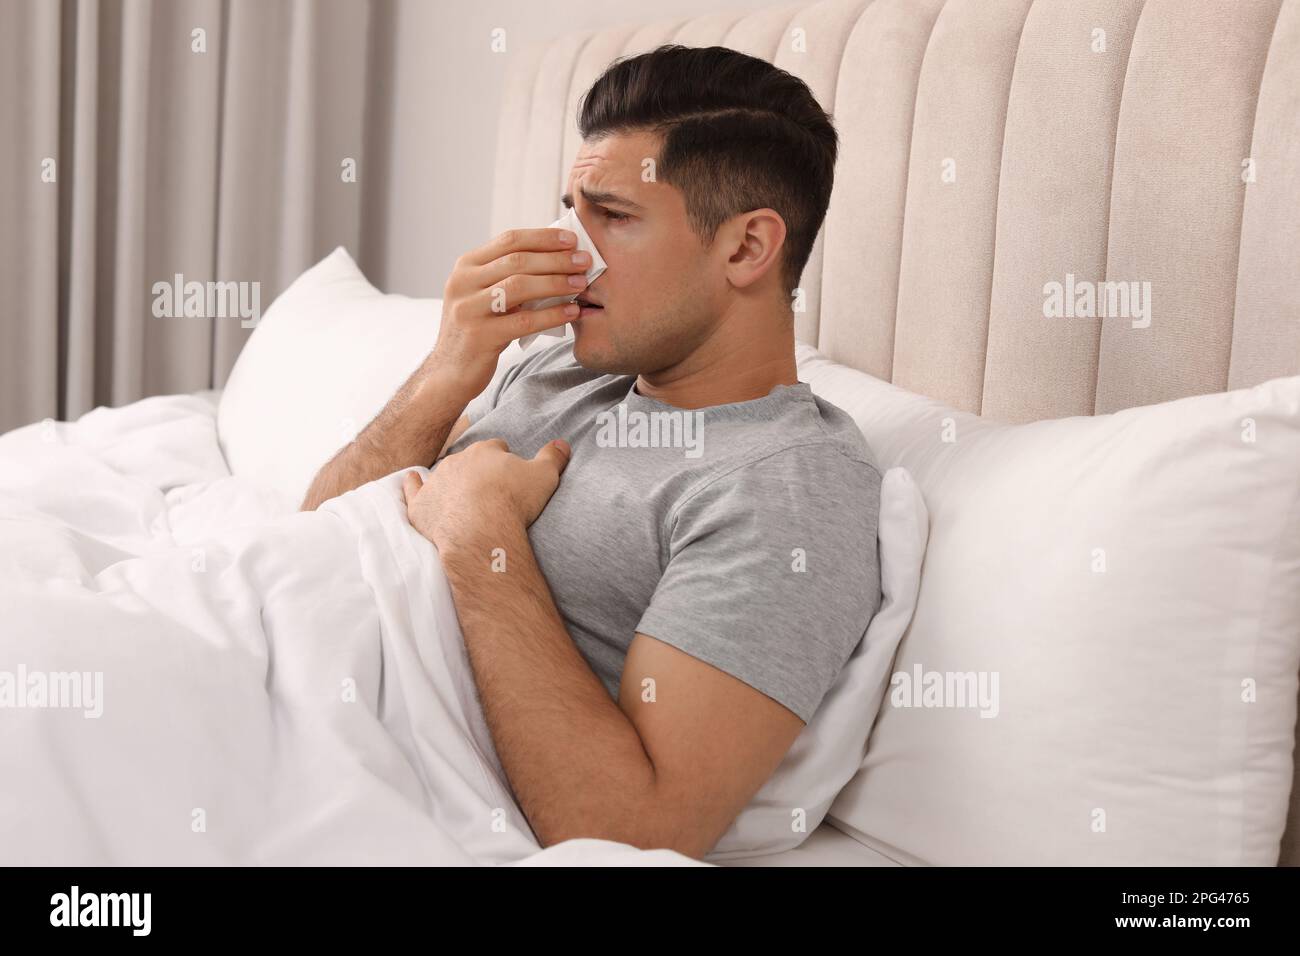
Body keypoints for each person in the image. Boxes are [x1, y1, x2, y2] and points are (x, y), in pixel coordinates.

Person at [302, 44, 882, 859]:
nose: (571, 249)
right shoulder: (561, 366)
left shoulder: (783, 488)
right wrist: (447, 370)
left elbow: (631, 833)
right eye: (571, 210)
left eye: (612, 216)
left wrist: (480, 535)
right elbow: (314, 529)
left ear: (747, 249)